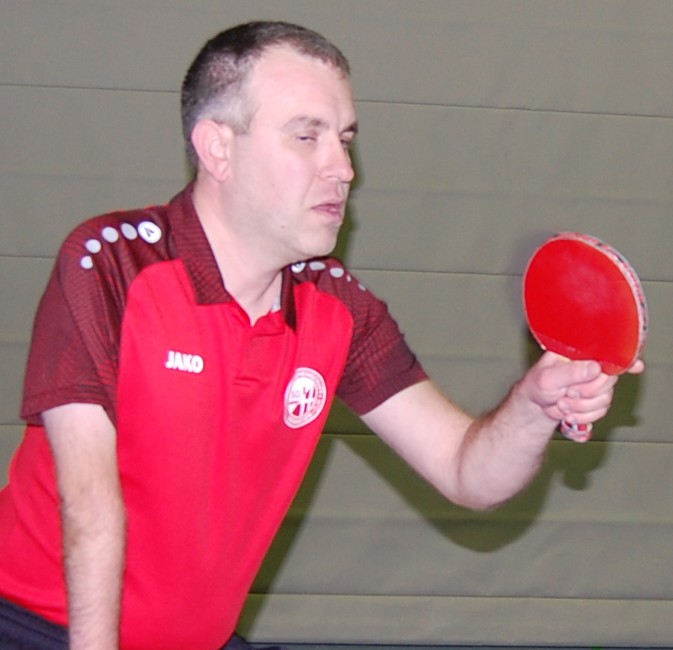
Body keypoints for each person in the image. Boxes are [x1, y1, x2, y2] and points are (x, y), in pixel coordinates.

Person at [0, 20, 643, 650]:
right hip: (36, 626)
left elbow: (466, 473)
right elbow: (89, 501)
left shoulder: (338, 309)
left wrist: (532, 406)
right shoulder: (111, 264)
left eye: (345, 139)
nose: (343, 168)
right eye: (307, 137)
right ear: (218, 148)